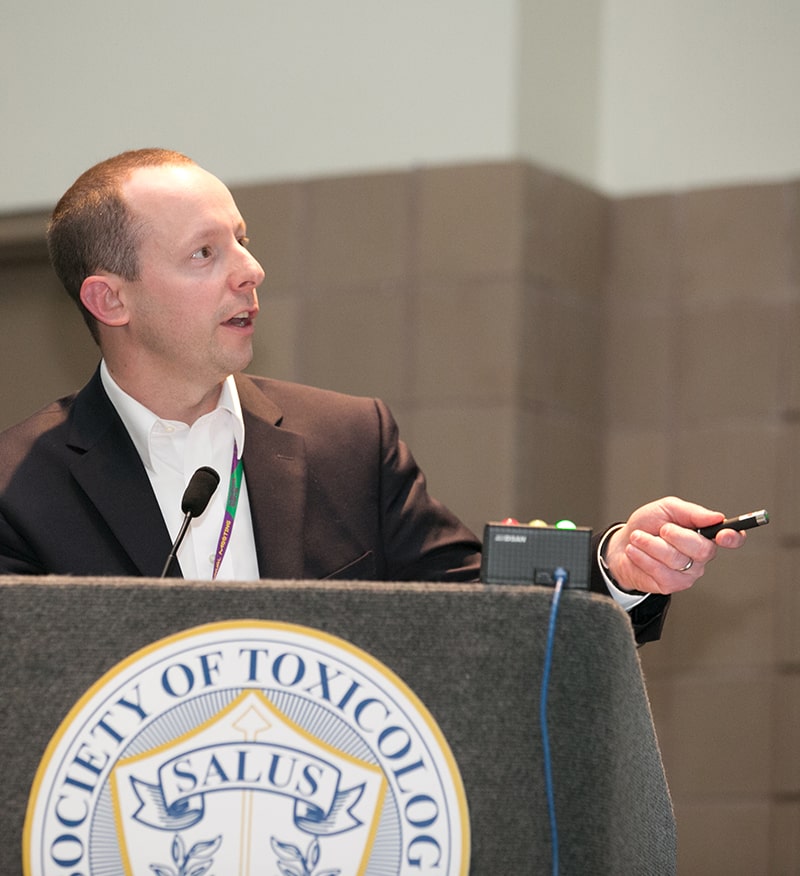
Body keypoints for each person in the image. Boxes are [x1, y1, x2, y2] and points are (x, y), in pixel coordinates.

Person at [0, 149, 745, 644]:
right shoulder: (20, 487)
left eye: (242, 239)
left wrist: (620, 565)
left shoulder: (348, 440)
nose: (251, 270)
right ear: (110, 299)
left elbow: (475, 599)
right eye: (205, 253)